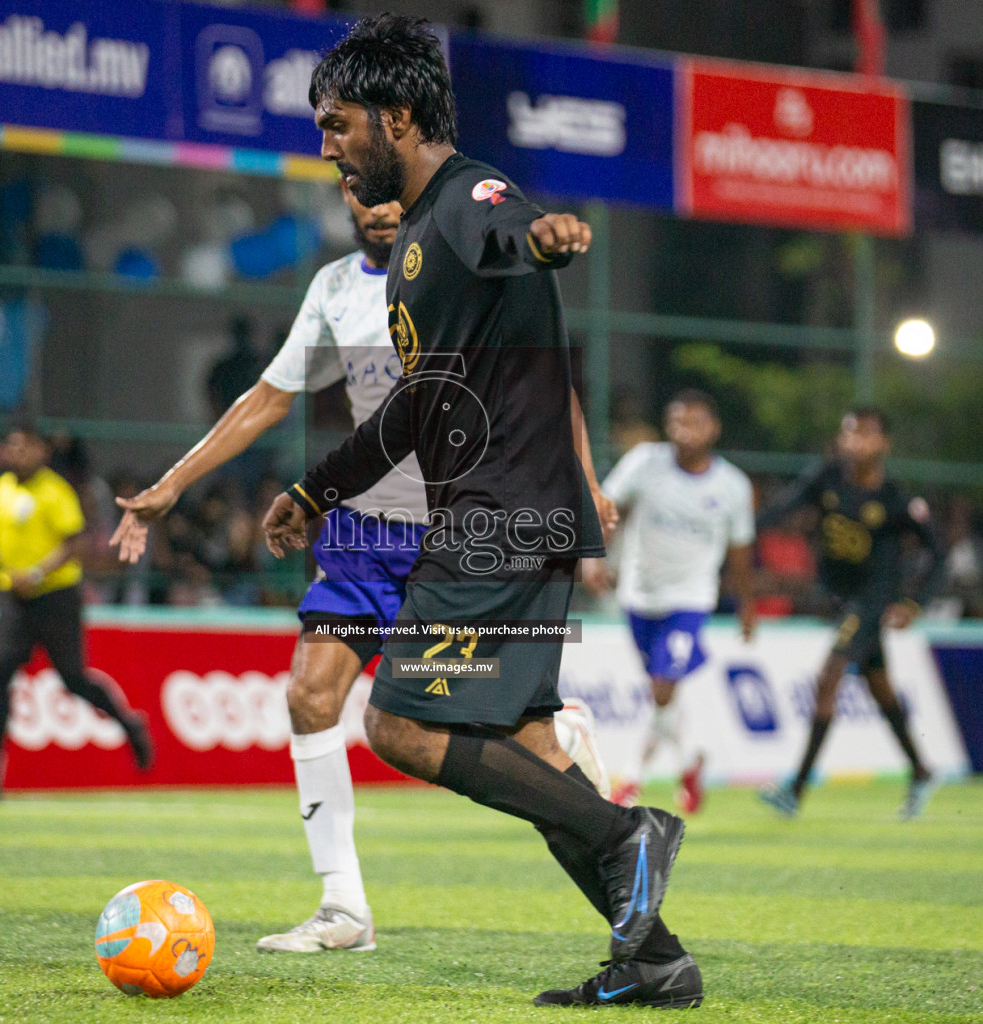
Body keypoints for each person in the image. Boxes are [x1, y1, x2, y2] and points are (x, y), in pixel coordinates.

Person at [260, 16, 700, 1009]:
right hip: (510, 514)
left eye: (338, 124)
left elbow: (517, 226)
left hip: (497, 516)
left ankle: (632, 835)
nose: (326, 144)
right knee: (535, 752)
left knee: (400, 724)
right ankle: (656, 956)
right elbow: (420, 406)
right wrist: (315, 488)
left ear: (399, 114)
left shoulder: (469, 202)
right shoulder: (419, 236)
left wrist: (547, 235)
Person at [112, 180, 613, 954]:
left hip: (457, 528)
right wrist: (172, 486)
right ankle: (344, 909)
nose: (373, 206)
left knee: (489, 728)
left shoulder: (450, 268)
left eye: (381, 194)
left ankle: (563, 739)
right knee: (311, 696)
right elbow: (267, 398)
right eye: (356, 195)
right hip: (362, 537)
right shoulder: (334, 290)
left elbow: (546, 382)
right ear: (347, 207)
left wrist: (586, 479)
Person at [755, 408, 944, 821]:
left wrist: (914, 602)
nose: (856, 442)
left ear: (884, 444)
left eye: (867, 435)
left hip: (872, 600)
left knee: (828, 680)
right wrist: (741, 530)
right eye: (850, 434)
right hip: (841, 599)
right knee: (880, 687)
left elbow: (937, 553)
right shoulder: (826, 478)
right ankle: (922, 770)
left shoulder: (896, 498)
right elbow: (781, 509)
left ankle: (796, 789)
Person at [0, 423, 153, 799]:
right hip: (13, 599)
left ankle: (129, 725)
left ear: (41, 452)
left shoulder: (55, 490)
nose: (16, 453)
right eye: (11, 446)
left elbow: (74, 542)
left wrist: (38, 573)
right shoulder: (2, 489)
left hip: (56, 597)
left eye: (24, 446)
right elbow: (7, 544)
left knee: (73, 679)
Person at [587, 390, 756, 815]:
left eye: (696, 422)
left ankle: (630, 779)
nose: (687, 430)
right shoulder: (646, 463)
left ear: (713, 428)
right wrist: (594, 556)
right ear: (668, 426)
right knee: (662, 691)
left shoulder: (732, 485)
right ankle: (690, 761)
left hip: (691, 598)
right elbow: (608, 507)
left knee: (663, 686)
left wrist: (747, 605)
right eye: (679, 422)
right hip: (639, 595)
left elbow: (740, 551)